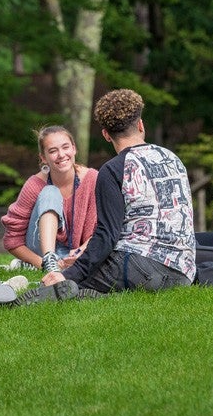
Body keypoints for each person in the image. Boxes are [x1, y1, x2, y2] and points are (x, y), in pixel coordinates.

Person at [27, 89, 197, 302]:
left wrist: (67, 274)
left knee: (62, 284)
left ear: (106, 135)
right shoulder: (172, 158)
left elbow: (107, 234)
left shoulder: (113, 169)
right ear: (141, 125)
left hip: (141, 269)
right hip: (184, 272)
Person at [0, 126, 98, 273]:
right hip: (39, 250)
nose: (61, 155)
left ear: (74, 149)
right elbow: (12, 240)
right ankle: (49, 260)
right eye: (53, 151)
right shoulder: (34, 184)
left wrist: (81, 252)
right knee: (51, 192)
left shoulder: (93, 179)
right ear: (43, 158)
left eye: (65, 147)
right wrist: (41, 263)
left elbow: (103, 228)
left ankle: (36, 265)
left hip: (75, 253)